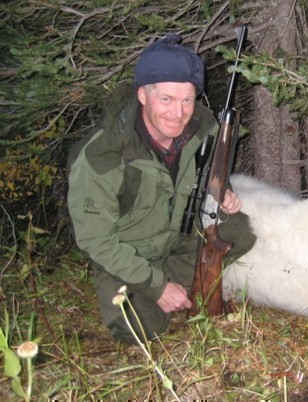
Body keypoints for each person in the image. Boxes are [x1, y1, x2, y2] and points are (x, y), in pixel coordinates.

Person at [67, 34, 255, 343]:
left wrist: (221, 193)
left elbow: (209, 175)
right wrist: (157, 287)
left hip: (174, 240)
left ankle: (189, 282)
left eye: (187, 100)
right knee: (139, 330)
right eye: (166, 99)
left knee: (239, 230)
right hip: (127, 254)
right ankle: (157, 289)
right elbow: (96, 241)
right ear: (143, 95)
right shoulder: (102, 155)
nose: (178, 113)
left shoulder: (204, 131)